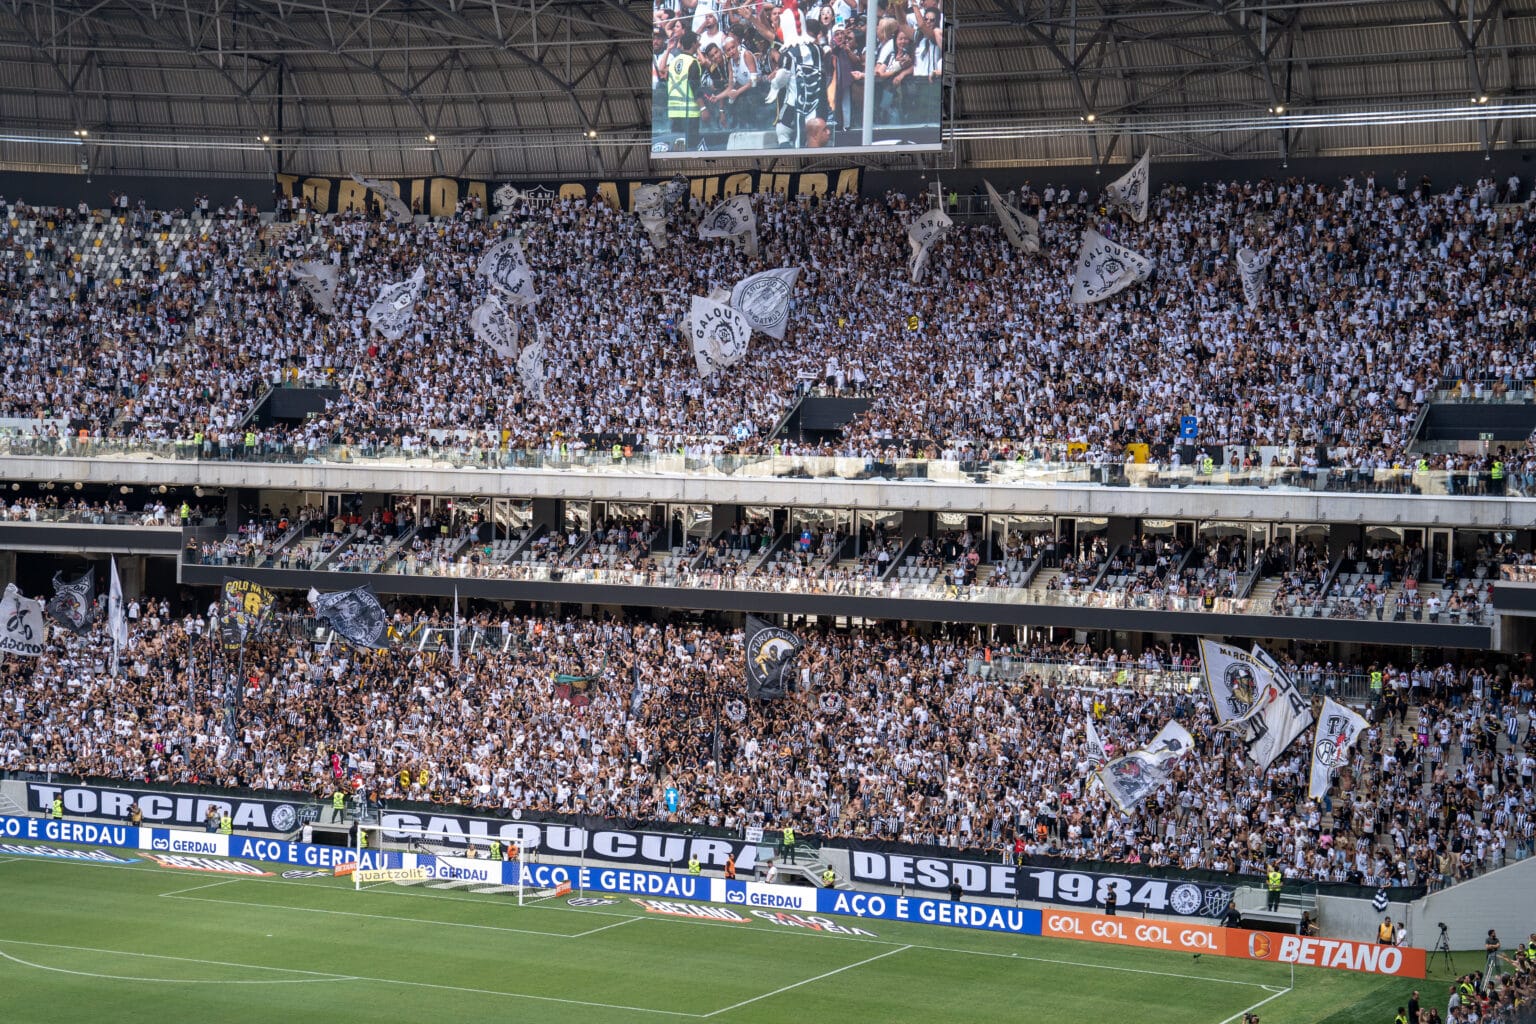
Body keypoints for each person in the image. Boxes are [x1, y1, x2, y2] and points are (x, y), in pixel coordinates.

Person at [666, 31, 703, 152]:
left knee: (677, 147)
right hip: (690, 113)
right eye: (697, 41)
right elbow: (695, 87)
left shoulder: (673, 62)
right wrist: (703, 108)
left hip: (674, 112)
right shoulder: (693, 62)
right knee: (690, 148)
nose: (698, 43)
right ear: (693, 44)